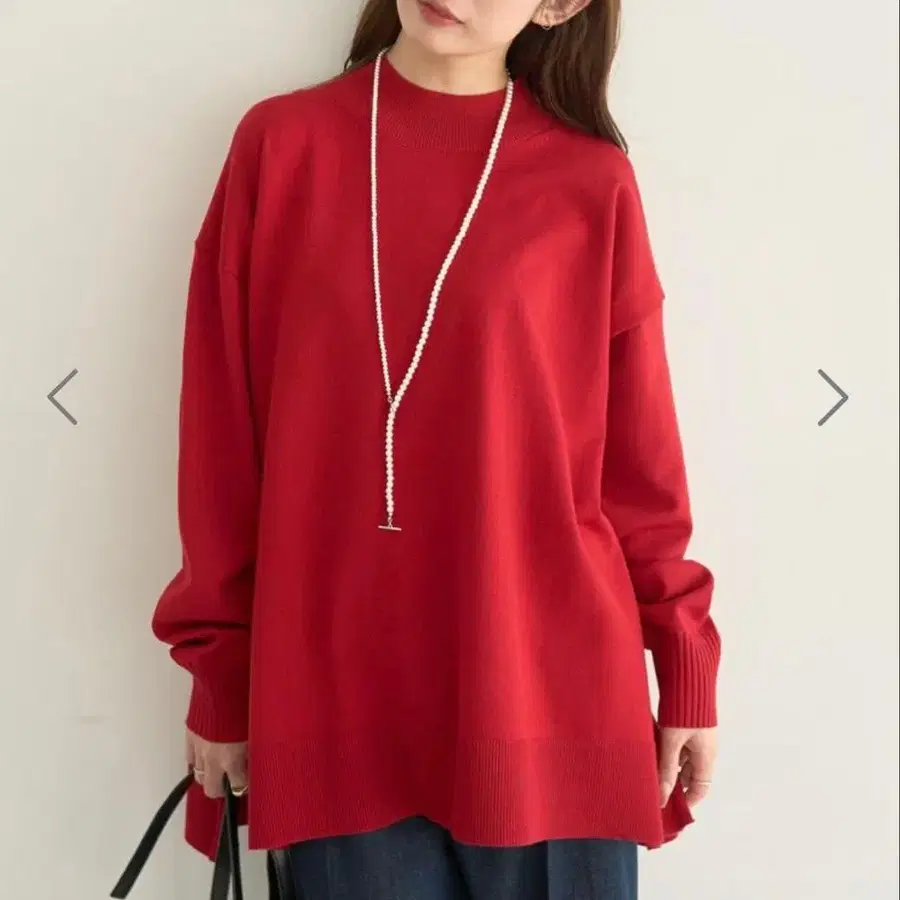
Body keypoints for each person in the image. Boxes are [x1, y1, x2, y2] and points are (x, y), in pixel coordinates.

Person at [150, 1, 721, 897]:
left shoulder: (590, 181)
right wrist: (219, 674)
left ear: (559, 4)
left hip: (549, 687)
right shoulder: (282, 146)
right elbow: (220, 439)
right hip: (335, 693)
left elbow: (639, 465)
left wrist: (684, 660)